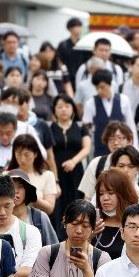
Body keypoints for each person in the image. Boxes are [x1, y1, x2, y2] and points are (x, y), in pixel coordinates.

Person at [78, 122, 139, 200]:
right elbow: (88, 197)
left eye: (120, 138)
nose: (115, 143)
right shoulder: (96, 163)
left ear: (130, 140)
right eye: (111, 139)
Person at [50, 94, 90, 226]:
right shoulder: (50, 128)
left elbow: (86, 148)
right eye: (59, 107)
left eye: (67, 106)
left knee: (77, 202)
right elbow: (47, 153)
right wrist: (54, 178)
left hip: (76, 171)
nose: (63, 109)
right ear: (54, 110)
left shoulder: (80, 126)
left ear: (73, 108)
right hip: (56, 172)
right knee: (58, 205)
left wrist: (74, 161)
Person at [81, 69, 137, 157]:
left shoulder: (123, 100)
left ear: (110, 84)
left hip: (121, 151)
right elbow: (85, 129)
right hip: (100, 150)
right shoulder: (91, 103)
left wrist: (134, 149)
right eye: (97, 88)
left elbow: (131, 127)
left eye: (102, 87)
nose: (99, 91)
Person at [92, 168, 139, 261]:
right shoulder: (93, 223)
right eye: (101, 194)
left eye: (111, 193)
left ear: (123, 194)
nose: (105, 198)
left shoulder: (134, 226)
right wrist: (89, 236)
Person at [6, 136, 57, 216]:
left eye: (27, 155)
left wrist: (31, 195)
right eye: (18, 154)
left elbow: (49, 208)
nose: (22, 159)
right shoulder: (8, 175)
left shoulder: (47, 175)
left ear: (35, 154)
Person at [9, 170, 58, 246]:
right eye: (11, 186)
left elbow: (54, 250)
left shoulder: (40, 218)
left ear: (27, 190)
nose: (16, 191)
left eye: (20, 186)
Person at [57, 17, 87, 87]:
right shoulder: (63, 44)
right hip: (67, 76)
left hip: (82, 76)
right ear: (70, 28)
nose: (80, 29)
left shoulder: (83, 44)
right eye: (77, 26)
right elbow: (59, 60)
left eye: (80, 26)